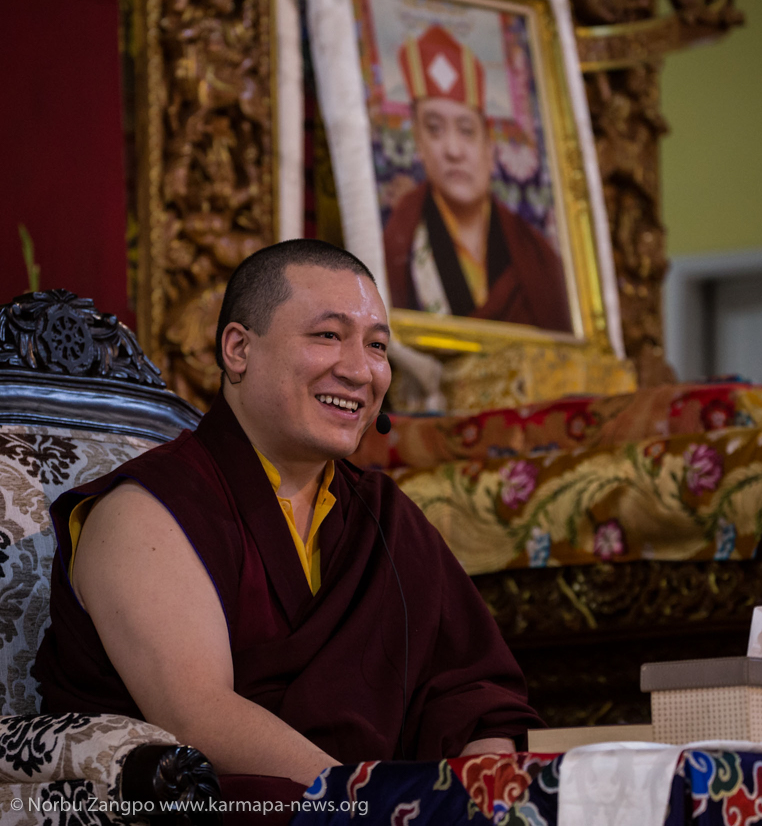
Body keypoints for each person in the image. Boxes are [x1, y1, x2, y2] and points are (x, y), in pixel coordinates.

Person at [34, 240, 542, 787]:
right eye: (328, 335)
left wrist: (485, 802)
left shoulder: (382, 517)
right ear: (238, 349)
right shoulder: (147, 512)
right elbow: (199, 716)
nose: (360, 371)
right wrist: (375, 808)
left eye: (376, 346)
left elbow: (474, 695)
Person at [383, 24, 573, 334]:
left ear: (490, 146)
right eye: (434, 129)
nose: (453, 150)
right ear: (418, 143)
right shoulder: (397, 242)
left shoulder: (535, 255)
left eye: (467, 130)